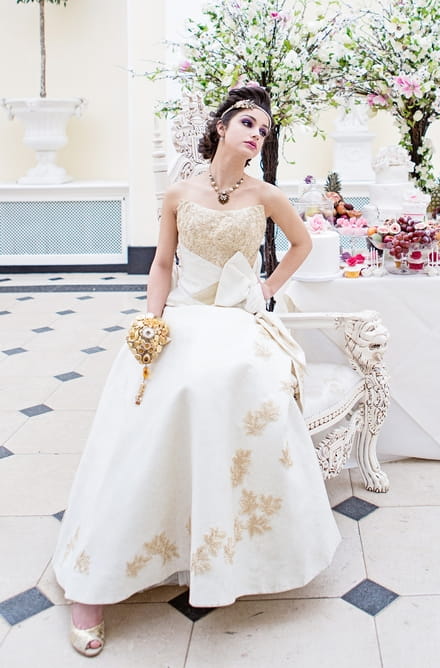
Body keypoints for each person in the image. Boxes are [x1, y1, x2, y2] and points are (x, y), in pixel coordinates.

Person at [53, 85, 341, 657]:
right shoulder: (179, 192)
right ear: (221, 127)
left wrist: (266, 289)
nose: (257, 133)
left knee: (236, 381)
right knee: (165, 389)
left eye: (264, 129)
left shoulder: (266, 195)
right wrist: (150, 321)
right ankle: (98, 578)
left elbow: (302, 244)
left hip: (236, 318)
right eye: (247, 123)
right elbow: (162, 264)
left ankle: (226, 552)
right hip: (183, 315)